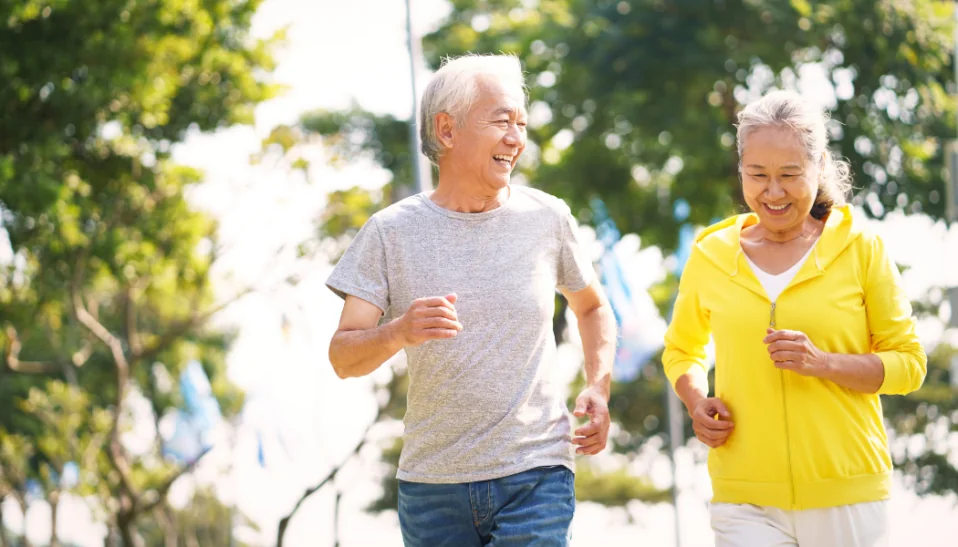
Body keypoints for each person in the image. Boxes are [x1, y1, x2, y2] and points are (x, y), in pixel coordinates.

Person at [326, 54, 617, 547]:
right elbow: (343, 357)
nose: (516, 138)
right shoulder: (389, 232)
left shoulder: (547, 218)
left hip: (536, 472)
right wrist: (398, 331)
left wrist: (598, 386)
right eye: (502, 120)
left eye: (521, 124)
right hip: (432, 488)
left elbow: (591, 307)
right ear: (446, 130)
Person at [662, 90, 927, 547]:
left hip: (847, 493)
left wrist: (823, 363)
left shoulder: (862, 249)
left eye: (789, 175)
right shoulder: (710, 254)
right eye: (758, 175)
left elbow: (909, 365)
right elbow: (683, 349)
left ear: (819, 167)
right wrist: (695, 399)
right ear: (741, 170)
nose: (773, 192)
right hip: (743, 496)